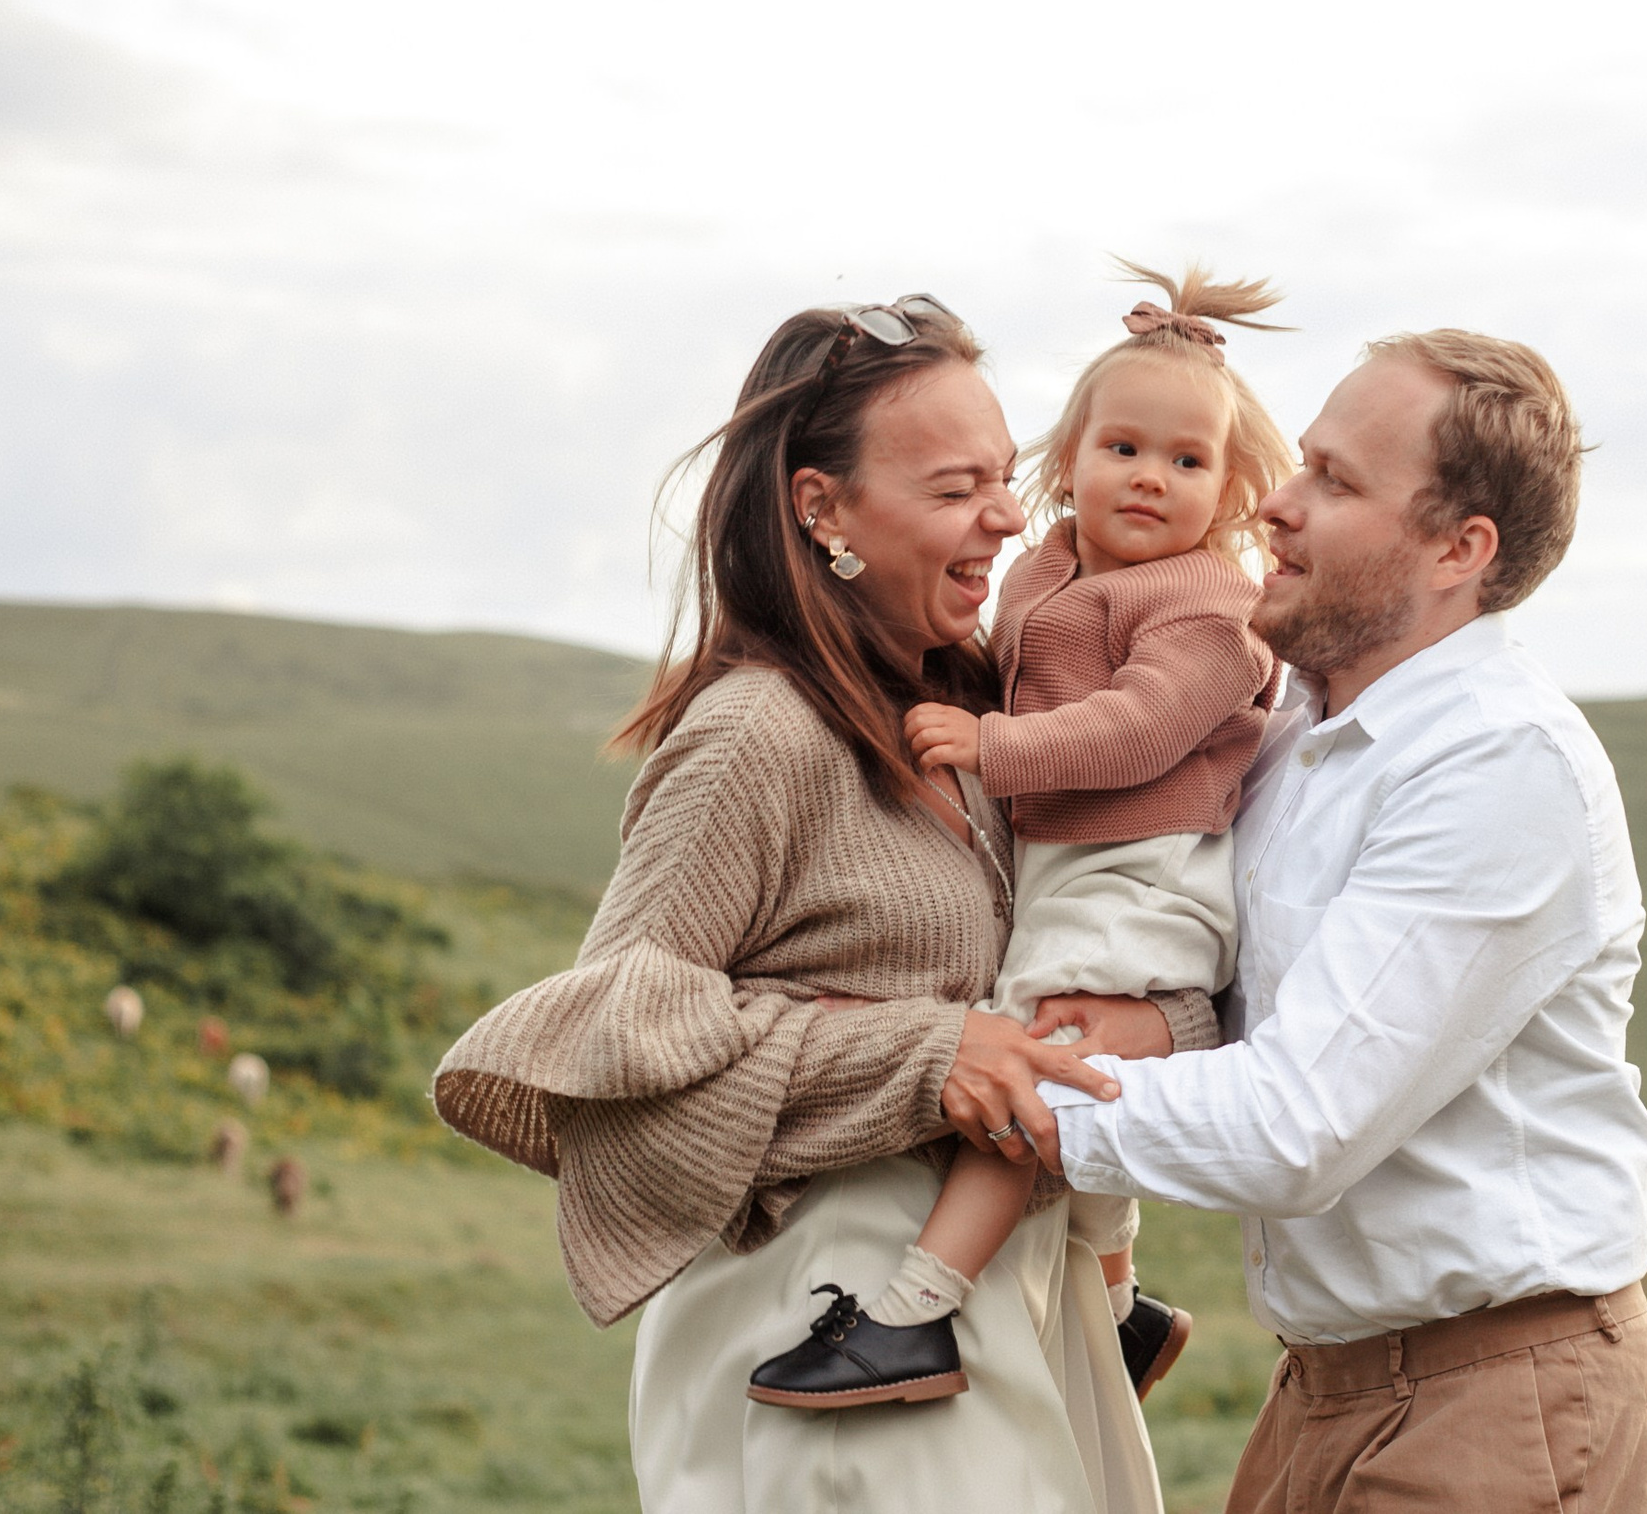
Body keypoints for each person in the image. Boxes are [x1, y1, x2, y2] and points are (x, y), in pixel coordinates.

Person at [431, 294, 1216, 1514]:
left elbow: (1127, 937)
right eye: (957, 488)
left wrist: (1158, 1029)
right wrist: (922, 1048)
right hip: (828, 1327)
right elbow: (615, 1048)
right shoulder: (758, 732)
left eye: (1004, 479)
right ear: (821, 508)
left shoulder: (988, 720)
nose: (1008, 516)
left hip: (989, 1313)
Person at [1032, 330, 1647, 1513]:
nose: (1273, 504)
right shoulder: (1290, 728)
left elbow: (1294, 1125)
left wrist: (982, 1088)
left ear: (1456, 549)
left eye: (1334, 480)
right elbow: (1246, 1007)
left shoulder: (1497, 761)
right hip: (1325, 1389)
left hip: (1496, 1399)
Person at [749, 265, 1295, 1410]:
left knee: (1037, 1052)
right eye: (1124, 449)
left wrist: (993, 749)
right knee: (1077, 1064)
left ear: (1232, 490)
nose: (1151, 480)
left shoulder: (1206, 607)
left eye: (1189, 463)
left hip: (1144, 867)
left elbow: (1133, 731)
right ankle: (1116, 1299)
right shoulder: (1051, 563)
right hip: (1074, 862)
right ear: (1072, 457)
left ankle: (917, 1310)